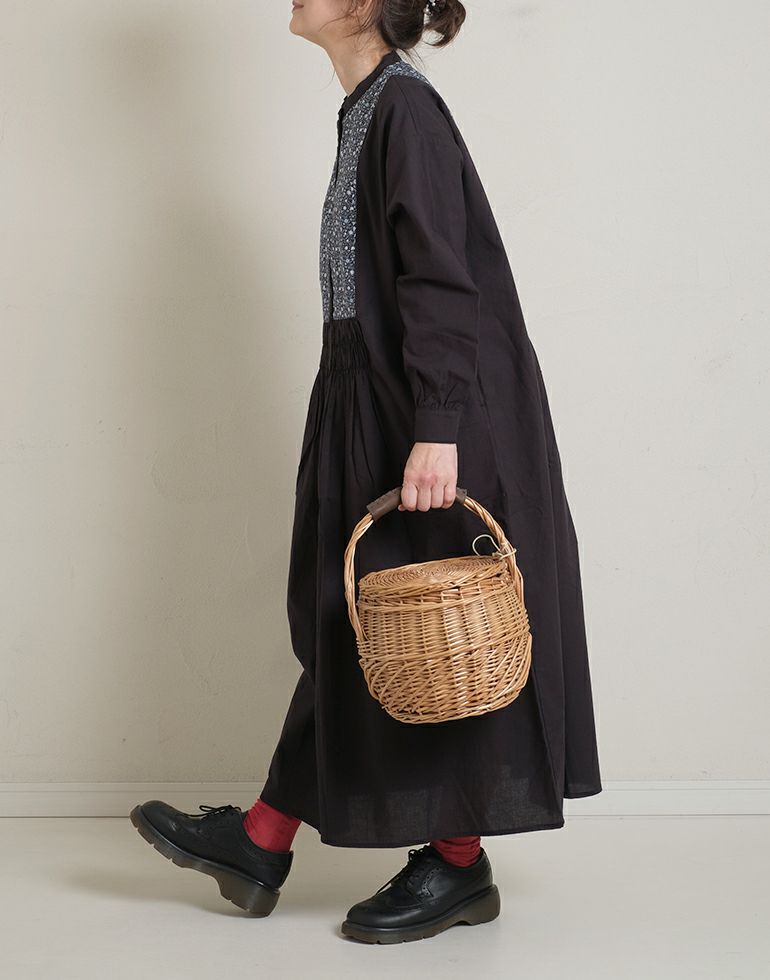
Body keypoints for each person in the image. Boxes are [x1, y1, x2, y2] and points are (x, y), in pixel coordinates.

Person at [130, 0, 602, 945]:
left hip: (425, 410)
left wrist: (437, 427)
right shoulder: (367, 109)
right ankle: (263, 839)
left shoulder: (406, 112)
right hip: (372, 395)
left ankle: (455, 862)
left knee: (442, 629)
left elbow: (441, 276)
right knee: (353, 622)